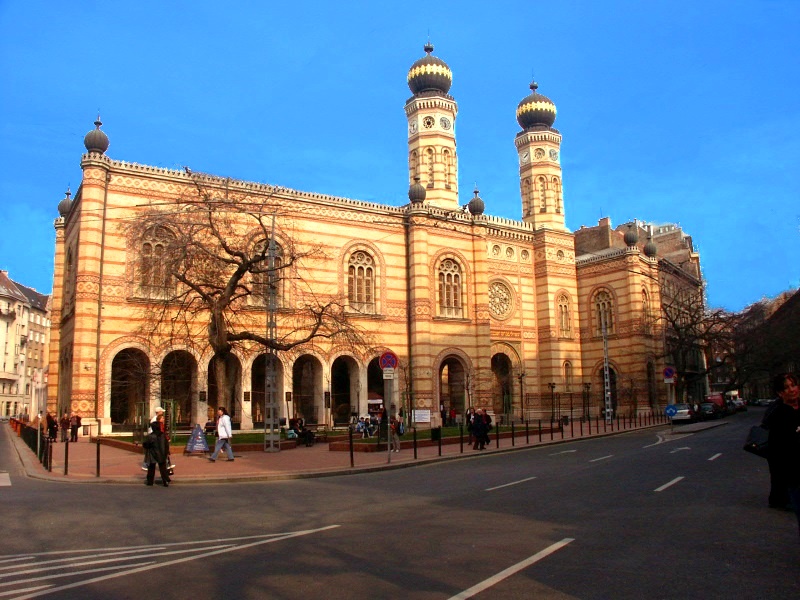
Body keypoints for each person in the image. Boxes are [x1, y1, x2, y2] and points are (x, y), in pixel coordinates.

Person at [762, 372, 800, 534]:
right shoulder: (778, 414)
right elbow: (777, 450)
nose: (791, 390)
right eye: (786, 388)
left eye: (793, 385)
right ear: (780, 393)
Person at [143, 411, 171, 487]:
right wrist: (166, 452)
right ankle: (165, 481)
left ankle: (150, 481)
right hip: (162, 453)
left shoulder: (151, 436)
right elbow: (166, 445)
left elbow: (146, 445)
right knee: (163, 468)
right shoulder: (163, 435)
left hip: (153, 454)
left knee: (151, 468)